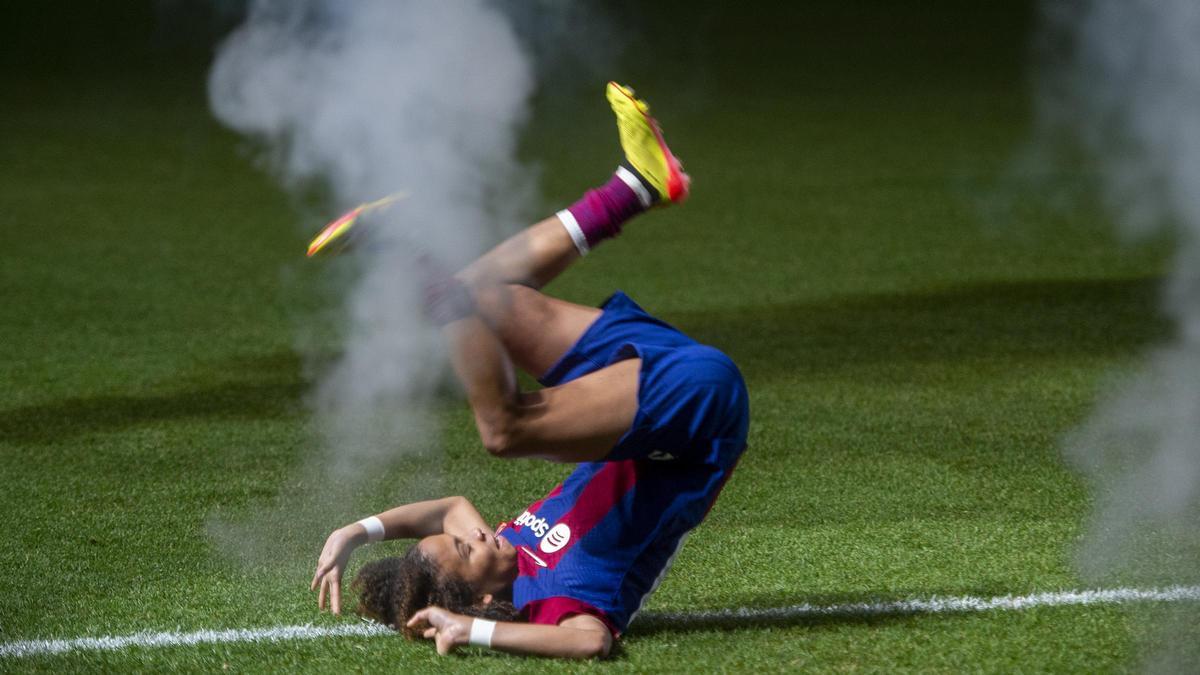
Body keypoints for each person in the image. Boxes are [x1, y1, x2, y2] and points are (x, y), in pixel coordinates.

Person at [310, 82, 749, 659]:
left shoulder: (503, 546)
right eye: (468, 551)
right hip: (698, 417)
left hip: (638, 393)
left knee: (480, 295)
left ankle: (637, 186)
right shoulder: (556, 600)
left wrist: (356, 531)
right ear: (487, 600)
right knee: (501, 432)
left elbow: (445, 510)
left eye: (462, 539)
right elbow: (591, 643)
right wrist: (473, 632)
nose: (477, 533)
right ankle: (415, 248)